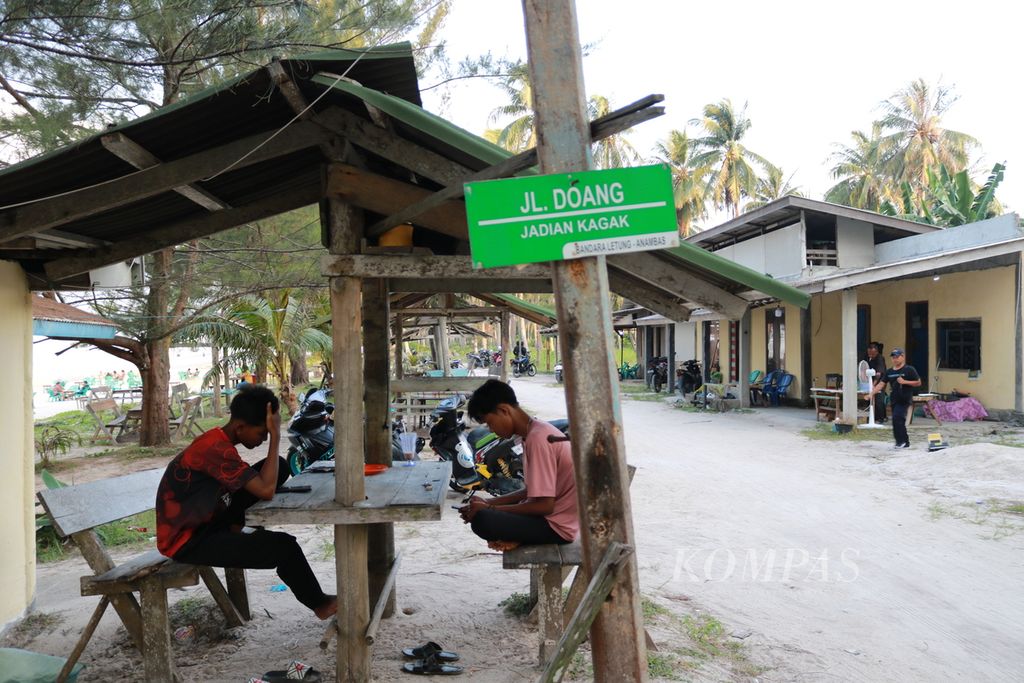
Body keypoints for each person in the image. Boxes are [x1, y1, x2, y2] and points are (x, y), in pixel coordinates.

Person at [155, 384, 336, 620]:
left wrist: (270, 438)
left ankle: (235, 527)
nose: (263, 439)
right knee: (284, 547)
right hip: (188, 540)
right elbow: (266, 490)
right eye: (262, 433)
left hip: (209, 519)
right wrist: (276, 438)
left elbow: (262, 485)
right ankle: (319, 604)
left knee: (279, 466)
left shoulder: (219, 442)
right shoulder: (214, 448)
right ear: (240, 427)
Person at [458, 379, 578, 551]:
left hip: (558, 527)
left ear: (504, 410)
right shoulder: (532, 433)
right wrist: (489, 502)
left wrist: (491, 508)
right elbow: (531, 492)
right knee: (483, 514)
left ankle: (518, 536)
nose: (491, 430)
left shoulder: (538, 438)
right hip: (555, 520)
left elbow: (545, 505)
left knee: (483, 520)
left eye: (489, 423)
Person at [870, 348, 921, 450]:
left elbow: (918, 382)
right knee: (896, 420)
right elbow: (881, 384)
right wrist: (871, 394)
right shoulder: (889, 371)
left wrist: (905, 382)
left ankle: (902, 441)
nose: (895, 359)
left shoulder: (909, 369)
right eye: (893, 357)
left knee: (898, 418)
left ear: (903, 357)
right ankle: (902, 442)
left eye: (897, 357)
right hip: (894, 399)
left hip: (905, 399)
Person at [864, 342, 887, 423]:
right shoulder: (867, 358)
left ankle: (880, 418)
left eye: (872, 354)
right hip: (870, 381)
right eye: (869, 353)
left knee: (879, 399)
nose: (870, 355)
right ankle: (873, 416)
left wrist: (874, 384)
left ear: (876, 352)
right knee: (870, 399)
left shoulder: (880, 358)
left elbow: (878, 374)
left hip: (880, 381)